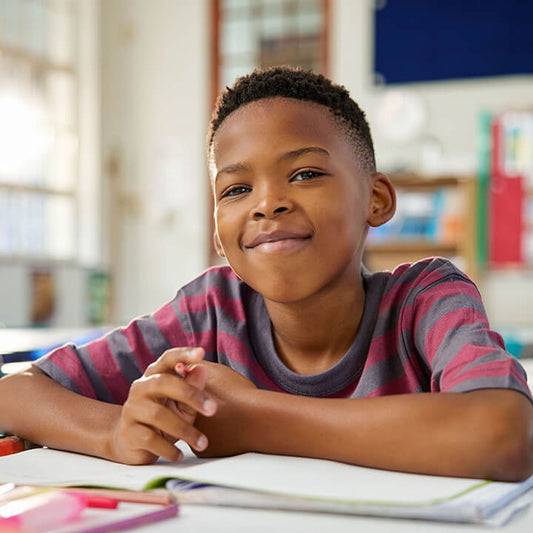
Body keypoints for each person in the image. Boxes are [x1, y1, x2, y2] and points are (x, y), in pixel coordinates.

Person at [1, 67, 532, 481]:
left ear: (376, 199)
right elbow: (16, 393)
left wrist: (257, 418)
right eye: (236, 190)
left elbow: (505, 435)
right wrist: (116, 430)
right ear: (217, 230)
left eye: (305, 174)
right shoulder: (210, 311)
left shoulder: (426, 297)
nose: (268, 204)